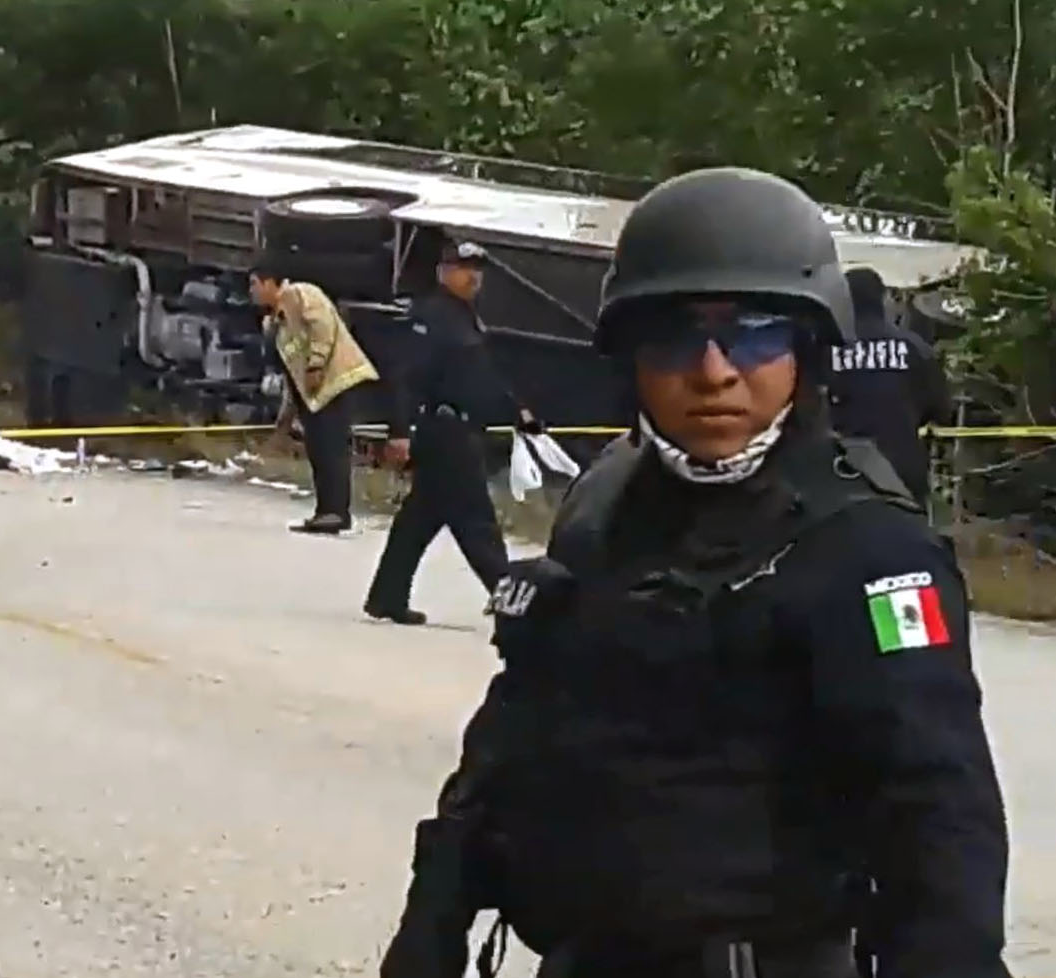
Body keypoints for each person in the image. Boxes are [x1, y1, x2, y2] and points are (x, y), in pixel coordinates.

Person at [379, 169, 1010, 978]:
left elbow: (939, 817)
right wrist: (431, 924)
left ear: (806, 351)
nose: (713, 371)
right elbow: (512, 734)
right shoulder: (605, 506)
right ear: (630, 358)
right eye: (675, 338)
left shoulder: (867, 551)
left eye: (752, 335)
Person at [363, 237, 541, 625]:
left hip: (461, 426)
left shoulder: (466, 318)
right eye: (466, 269)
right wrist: (399, 430)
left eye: (478, 270)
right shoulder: (430, 317)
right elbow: (404, 377)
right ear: (444, 272)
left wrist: (516, 410)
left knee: (419, 519)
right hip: (443, 430)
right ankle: (514, 605)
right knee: (477, 522)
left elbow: (479, 377)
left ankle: (387, 596)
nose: (474, 277)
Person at [249, 258, 380, 533]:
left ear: (271, 282)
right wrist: (286, 416)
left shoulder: (301, 294)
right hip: (312, 394)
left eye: (255, 284)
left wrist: (317, 363)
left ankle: (336, 512)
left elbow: (323, 327)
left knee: (332, 449)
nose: (252, 291)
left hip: (334, 380)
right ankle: (325, 511)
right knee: (318, 450)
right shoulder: (275, 323)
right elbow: (290, 372)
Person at [828, 266, 953, 509]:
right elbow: (941, 410)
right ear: (883, 298)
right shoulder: (915, 348)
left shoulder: (822, 348)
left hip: (840, 473)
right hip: (903, 475)